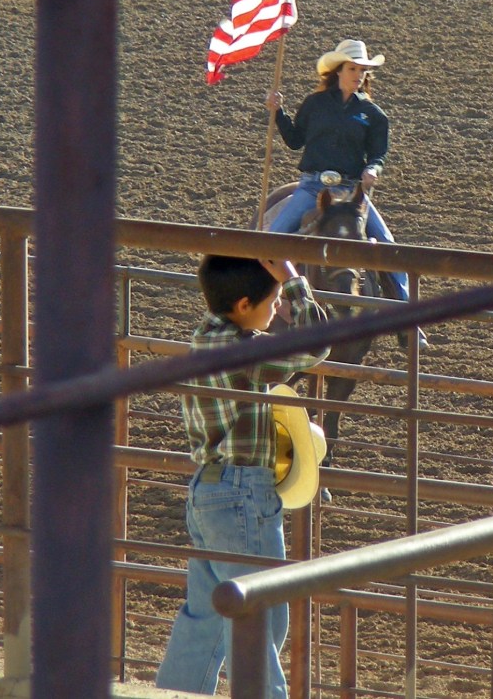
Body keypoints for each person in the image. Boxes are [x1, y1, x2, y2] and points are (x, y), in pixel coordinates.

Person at [155, 254, 330, 697]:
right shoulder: (246, 353)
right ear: (246, 304)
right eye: (272, 303)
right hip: (241, 493)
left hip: (208, 489)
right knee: (261, 615)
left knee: (207, 617)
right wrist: (294, 281)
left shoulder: (204, 339)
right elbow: (318, 342)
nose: (277, 313)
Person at [265, 37, 427, 349]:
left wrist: (374, 170)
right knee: (271, 238)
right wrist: (278, 112)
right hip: (312, 186)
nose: (358, 74)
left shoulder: (373, 114)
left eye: (362, 70)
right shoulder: (315, 105)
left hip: (352, 192)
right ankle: (263, 303)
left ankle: (407, 324)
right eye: (352, 68)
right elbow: (296, 140)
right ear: (338, 70)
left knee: (390, 248)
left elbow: (378, 154)